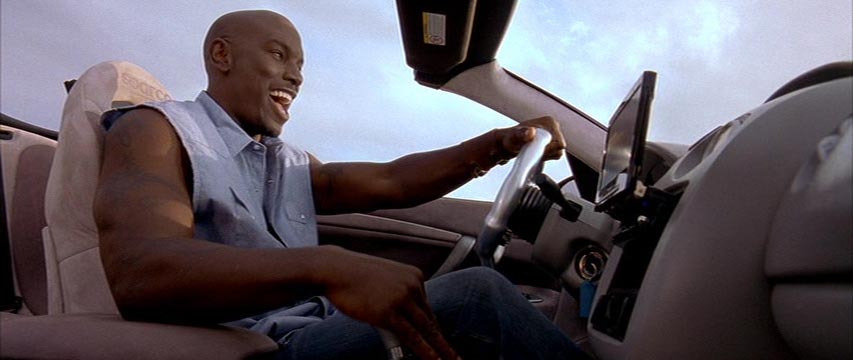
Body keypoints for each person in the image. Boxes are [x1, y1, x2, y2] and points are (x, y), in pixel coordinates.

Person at [94, 9, 587, 360]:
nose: (296, 75)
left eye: (300, 65)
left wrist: (496, 146)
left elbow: (392, 180)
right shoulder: (156, 130)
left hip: (316, 328)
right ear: (221, 55)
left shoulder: (281, 160)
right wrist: (326, 267)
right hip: (256, 345)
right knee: (478, 298)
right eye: (278, 54)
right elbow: (142, 273)